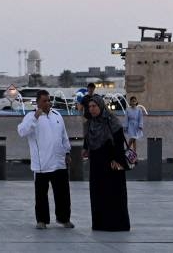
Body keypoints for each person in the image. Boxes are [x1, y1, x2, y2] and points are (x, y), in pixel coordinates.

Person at [18, 90, 74, 229]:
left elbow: (63, 135)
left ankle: (64, 218)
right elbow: (22, 131)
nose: (47, 103)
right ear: (37, 102)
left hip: (59, 162)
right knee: (41, 195)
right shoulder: (31, 116)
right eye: (44, 101)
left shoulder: (57, 115)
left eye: (49, 100)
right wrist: (35, 118)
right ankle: (42, 220)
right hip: (42, 164)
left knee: (63, 194)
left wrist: (67, 152)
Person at [83, 95, 130, 231]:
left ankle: (116, 224)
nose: (91, 109)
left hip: (111, 163)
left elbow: (119, 141)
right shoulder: (91, 122)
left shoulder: (111, 120)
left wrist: (117, 160)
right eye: (90, 107)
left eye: (94, 106)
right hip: (96, 163)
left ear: (101, 106)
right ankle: (100, 224)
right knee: (98, 193)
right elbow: (89, 139)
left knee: (113, 194)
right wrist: (85, 149)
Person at [80, 82, 97, 159]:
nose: (90, 89)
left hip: (96, 120)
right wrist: (83, 118)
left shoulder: (97, 97)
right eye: (89, 88)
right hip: (87, 119)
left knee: (95, 135)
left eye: (92, 88)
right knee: (87, 136)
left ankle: (94, 151)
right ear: (87, 89)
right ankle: (86, 152)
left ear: (94, 89)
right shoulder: (85, 98)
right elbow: (80, 109)